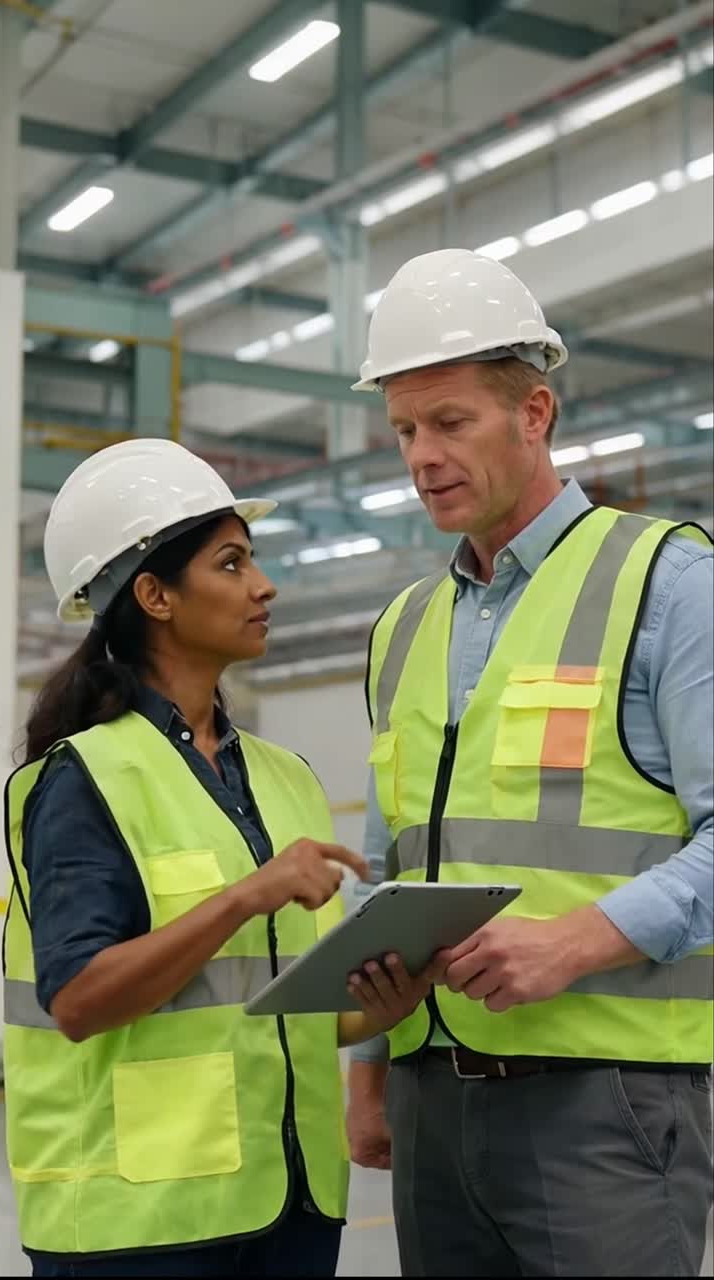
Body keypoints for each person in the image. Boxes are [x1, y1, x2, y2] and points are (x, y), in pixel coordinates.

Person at [344, 249, 714, 1277]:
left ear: (535, 413)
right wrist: (371, 1069)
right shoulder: (405, 625)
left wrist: (574, 941)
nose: (421, 456)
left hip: (604, 1095)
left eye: (450, 422)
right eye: (405, 430)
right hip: (430, 1100)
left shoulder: (669, 583)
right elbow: (391, 867)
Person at [2, 438, 429, 1279]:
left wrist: (385, 1001)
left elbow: (273, 1012)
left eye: (254, 562)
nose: (263, 585)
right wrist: (246, 897)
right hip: (141, 1221)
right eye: (231, 564)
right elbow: (80, 999)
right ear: (154, 595)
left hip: (289, 1203)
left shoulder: (282, 779)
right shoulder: (85, 779)